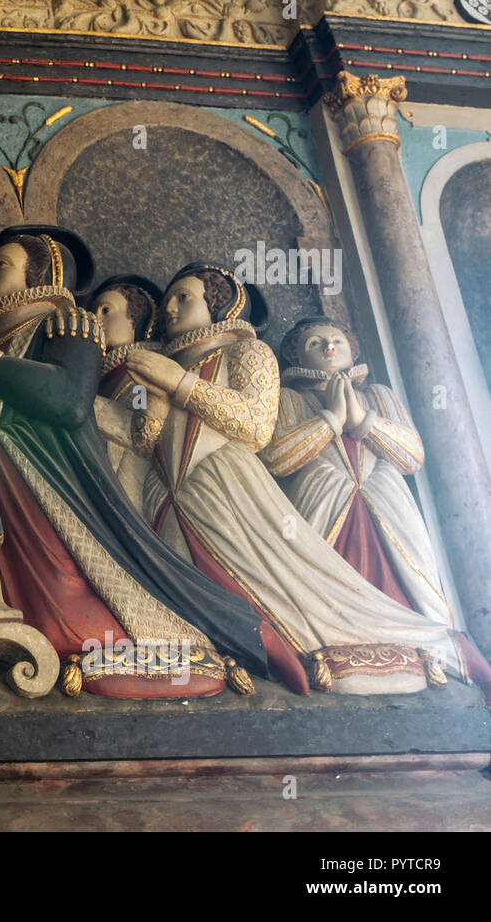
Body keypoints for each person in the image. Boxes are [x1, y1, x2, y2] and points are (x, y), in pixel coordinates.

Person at [0, 227, 271, 698]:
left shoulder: (68, 327)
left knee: (71, 591)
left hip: (57, 490)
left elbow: (69, 402)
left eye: (0, 265)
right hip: (2, 490)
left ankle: (143, 648)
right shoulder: (0, 341)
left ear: (41, 276)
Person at [126, 263, 491, 698]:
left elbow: (255, 428)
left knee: (297, 598)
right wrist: (153, 407)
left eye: (184, 297)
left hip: (226, 488)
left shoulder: (251, 353)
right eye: (316, 343)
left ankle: (432, 648)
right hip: (169, 494)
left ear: (219, 304)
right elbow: (147, 442)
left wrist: (180, 382)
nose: (170, 307)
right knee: (188, 605)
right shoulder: (288, 397)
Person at [262, 316, 458, 627]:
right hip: (322, 503)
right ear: (297, 358)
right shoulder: (288, 398)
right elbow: (277, 459)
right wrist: (332, 419)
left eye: (337, 341)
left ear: (354, 353)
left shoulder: (377, 394)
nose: (328, 346)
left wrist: (362, 421)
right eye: (315, 343)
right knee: (326, 601)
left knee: (412, 594)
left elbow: (412, 456)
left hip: (388, 505)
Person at [87, 273, 163, 515]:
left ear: (137, 321)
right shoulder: (104, 373)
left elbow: (139, 427)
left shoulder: (148, 370)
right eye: (93, 312)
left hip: (130, 488)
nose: (94, 319)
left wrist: (80, 403)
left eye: (105, 311)